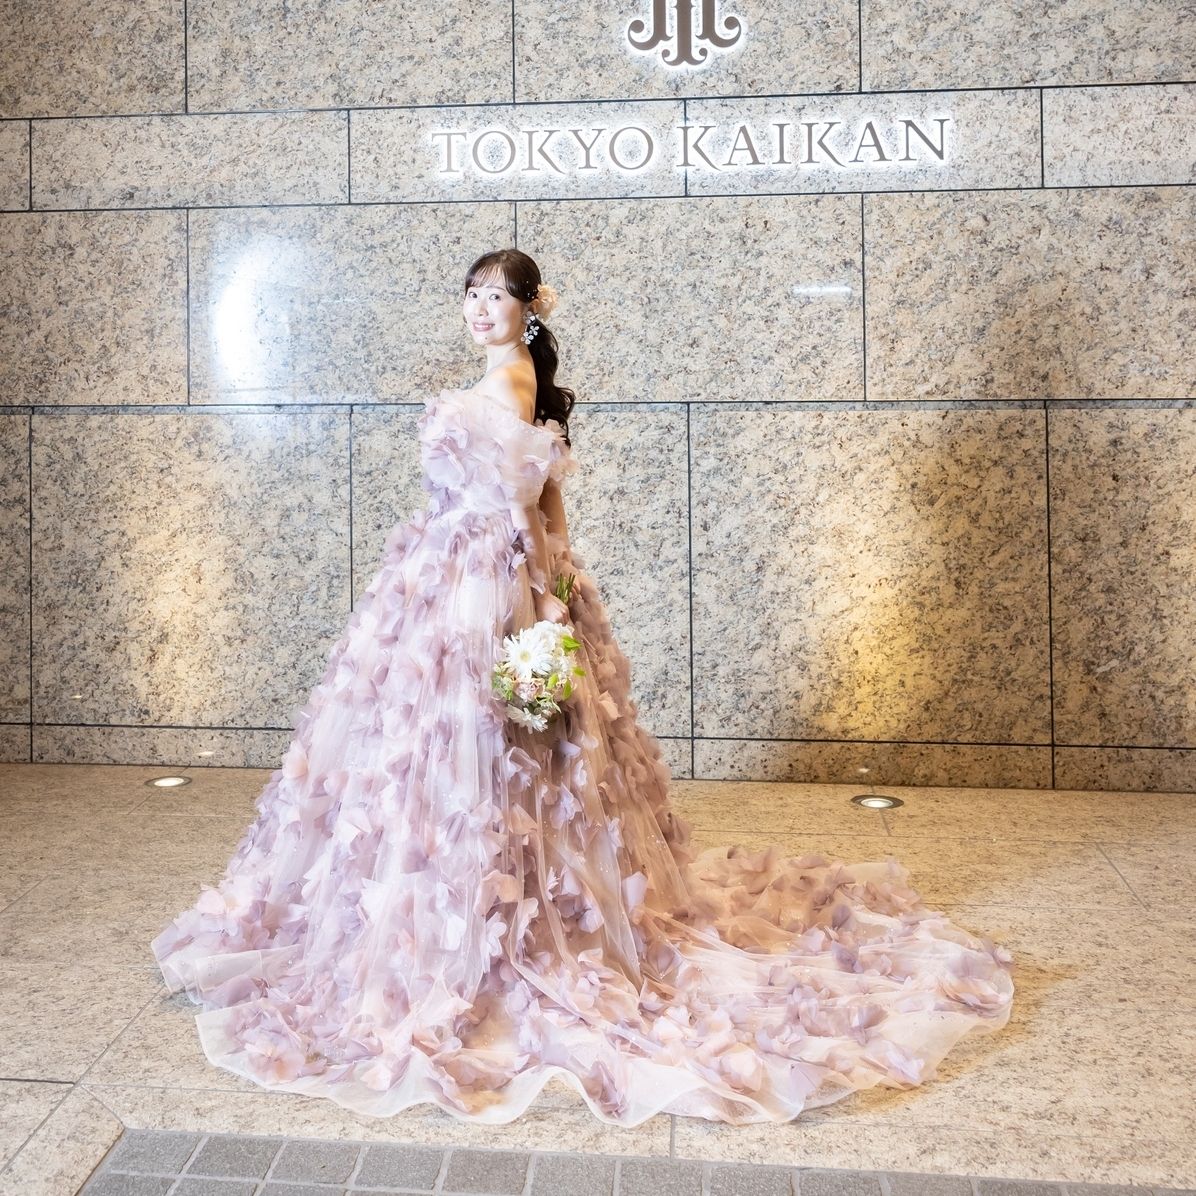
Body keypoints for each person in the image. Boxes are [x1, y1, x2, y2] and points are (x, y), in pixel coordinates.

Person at [151, 248, 1014, 1126]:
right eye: (472, 294)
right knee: (490, 755)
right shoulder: (517, 382)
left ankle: (484, 918)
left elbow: (520, 511)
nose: (480, 308)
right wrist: (556, 582)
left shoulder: (510, 383)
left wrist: (537, 606)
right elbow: (550, 500)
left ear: (530, 308)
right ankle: (493, 899)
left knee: (484, 746)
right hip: (455, 571)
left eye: (497, 296)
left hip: (480, 582)